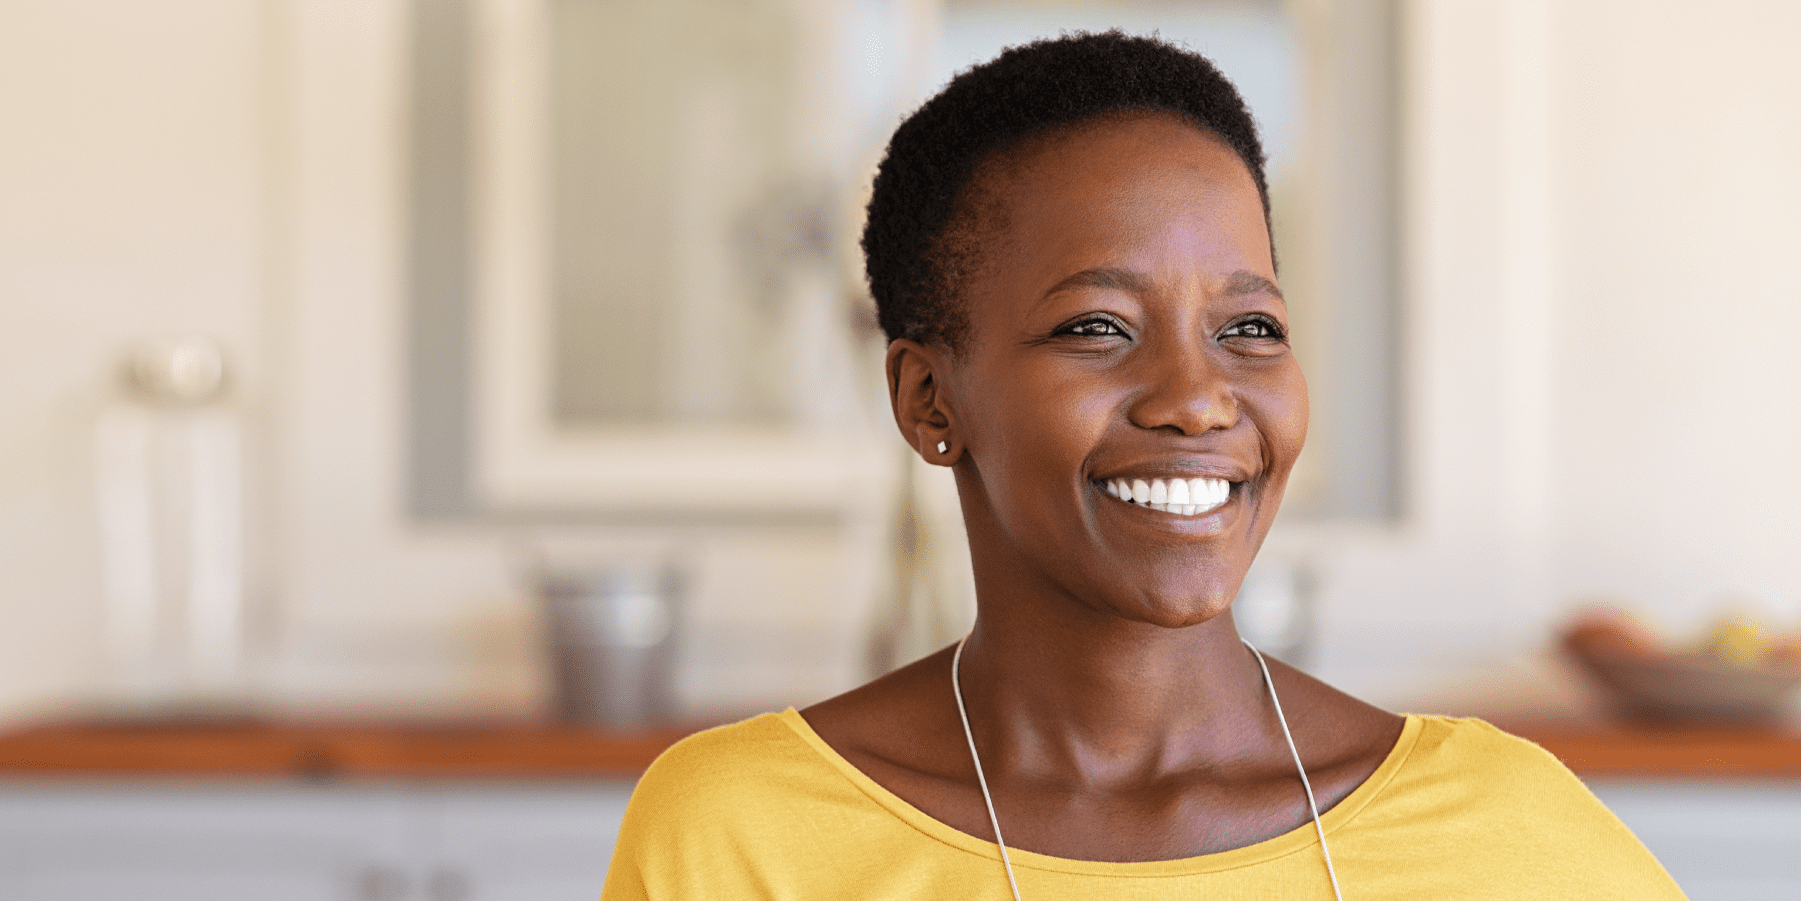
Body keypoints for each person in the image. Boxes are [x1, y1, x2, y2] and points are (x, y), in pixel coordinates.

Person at [600, 32, 1684, 900]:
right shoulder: (740, 840)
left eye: (1249, 327)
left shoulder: (1504, 833)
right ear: (928, 400)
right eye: (1097, 327)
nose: (1199, 396)